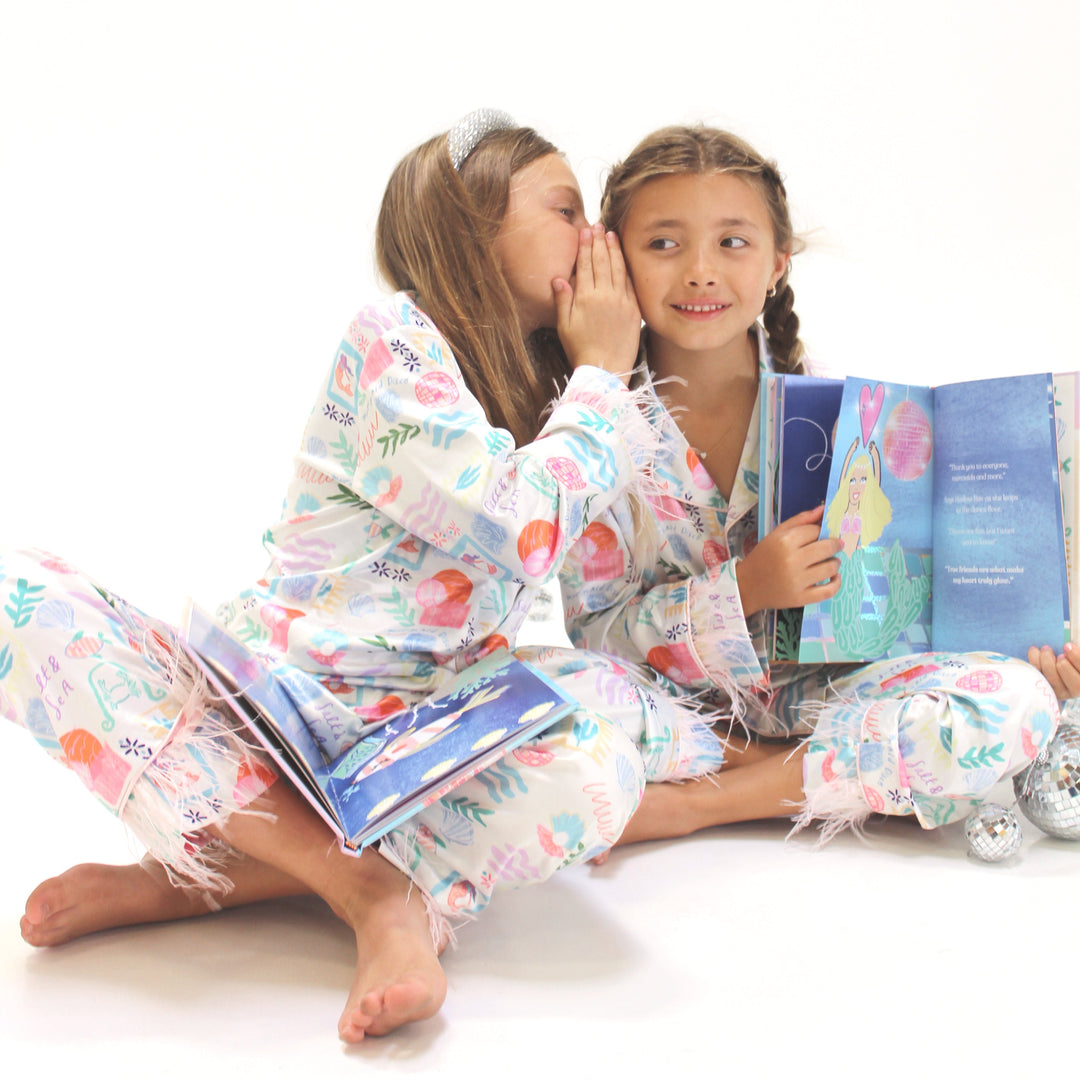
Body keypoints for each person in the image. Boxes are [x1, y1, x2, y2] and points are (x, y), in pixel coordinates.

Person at [2, 110, 727, 1041]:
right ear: (472, 227)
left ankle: (223, 880)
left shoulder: (564, 386)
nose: (595, 240)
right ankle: (374, 892)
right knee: (16, 596)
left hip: (422, 740)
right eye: (565, 209)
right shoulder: (394, 336)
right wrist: (600, 374)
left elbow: (596, 605)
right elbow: (516, 528)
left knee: (600, 762)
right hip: (271, 706)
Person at [558, 124, 1077, 846]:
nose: (701, 271)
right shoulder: (593, 429)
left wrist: (1023, 651)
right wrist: (741, 590)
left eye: (732, 242)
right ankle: (813, 772)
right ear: (615, 260)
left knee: (1017, 701)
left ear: (777, 262)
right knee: (547, 684)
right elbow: (596, 636)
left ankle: (702, 804)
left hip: (826, 698)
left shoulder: (844, 420)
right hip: (673, 712)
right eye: (664, 244)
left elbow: (899, 622)